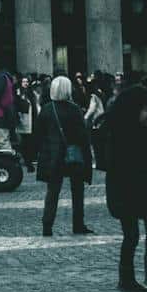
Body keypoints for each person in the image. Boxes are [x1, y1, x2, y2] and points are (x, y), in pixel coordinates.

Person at [102, 83, 147, 292]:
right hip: (125, 191)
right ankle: (126, 278)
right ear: (133, 109)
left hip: (146, 188)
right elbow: (113, 167)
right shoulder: (118, 134)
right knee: (131, 235)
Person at [36, 73, 93, 236]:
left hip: (53, 156)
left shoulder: (47, 109)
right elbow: (82, 135)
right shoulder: (74, 109)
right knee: (77, 190)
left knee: (52, 192)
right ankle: (78, 224)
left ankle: (47, 226)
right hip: (72, 155)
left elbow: (39, 134)